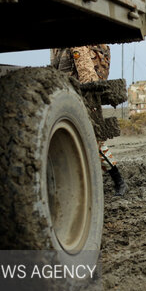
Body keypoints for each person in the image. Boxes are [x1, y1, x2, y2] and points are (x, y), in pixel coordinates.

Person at [50, 44, 128, 196]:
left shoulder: (76, 44)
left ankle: (119, 180)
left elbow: (87, 75)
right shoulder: (56, 48)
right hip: (66, 99)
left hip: (83, 99)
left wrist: (90, 103)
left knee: (94, 143)